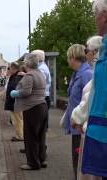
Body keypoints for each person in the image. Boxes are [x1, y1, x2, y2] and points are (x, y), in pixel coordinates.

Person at [75, 1, 107, 178]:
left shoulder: (98, 65)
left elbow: (92, 95)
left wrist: (78, 118)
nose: (95, 19)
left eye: (96, 15)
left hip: (98, 136)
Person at [71, 36, 102, 180]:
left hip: (94, 130)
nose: (86, 53)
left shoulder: (96, 71)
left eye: (87, 50)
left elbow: (90, 98)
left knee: (90, 174)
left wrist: (76, 118)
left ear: (95, 51)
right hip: (93, 128)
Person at [10, 53, 47, 170]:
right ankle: (41, 159)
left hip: (32, 108)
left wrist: (15, 93)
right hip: (42, 106)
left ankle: (33, 163)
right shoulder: (39, 73)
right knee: (40, 136)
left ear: (27, 64)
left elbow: (26, 92)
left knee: (31, 137)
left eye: (24, 62)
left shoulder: (29, 76)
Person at [62, 44, 93, 179]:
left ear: (74, 57)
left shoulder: (87, 74)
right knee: (76, 161)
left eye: (69, 57)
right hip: (76, 127)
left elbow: (89, 102)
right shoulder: (77, 74)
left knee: (80, 164)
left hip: (82, 129)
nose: (68, 61)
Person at [5, 62, 24, 142]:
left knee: (18, 120)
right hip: (13, 102)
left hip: (15, 103)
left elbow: (15, 88)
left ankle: (20, 136)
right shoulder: (14, 76)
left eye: (10, 68)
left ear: (14, 68)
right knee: (16, 120)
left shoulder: (17, 76)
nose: (9, 70)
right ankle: (18, 135)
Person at [31, 50, 52, 124]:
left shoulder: (41, 69)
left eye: (32, 57)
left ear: (37, 58)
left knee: (39, 123)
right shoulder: (42, 67)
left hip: (41, 98)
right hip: (44, 97)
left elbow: (38, 84)